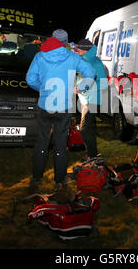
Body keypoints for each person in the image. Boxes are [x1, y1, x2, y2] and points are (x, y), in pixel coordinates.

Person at [26, 36, 96, 192]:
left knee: (42, 142)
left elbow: (30, 79)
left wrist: (43, 89)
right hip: (63, 108)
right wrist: (81, 88)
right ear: (64, 42)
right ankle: (59, 180)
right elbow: (91, 72)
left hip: (45, 106)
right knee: (61, 144)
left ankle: (36, 177)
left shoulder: (40, 55)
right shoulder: (72, 56)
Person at [75, 39, 107, 160]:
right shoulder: (82, 60)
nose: (76, 50)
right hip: (85, 100)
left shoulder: (95, 63)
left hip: (92, 100)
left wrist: (84, 89)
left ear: (84, 50)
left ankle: (92, 155)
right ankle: (92, 154)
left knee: (84, 129)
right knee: (90, 129)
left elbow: (103, 84)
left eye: (78, 49)